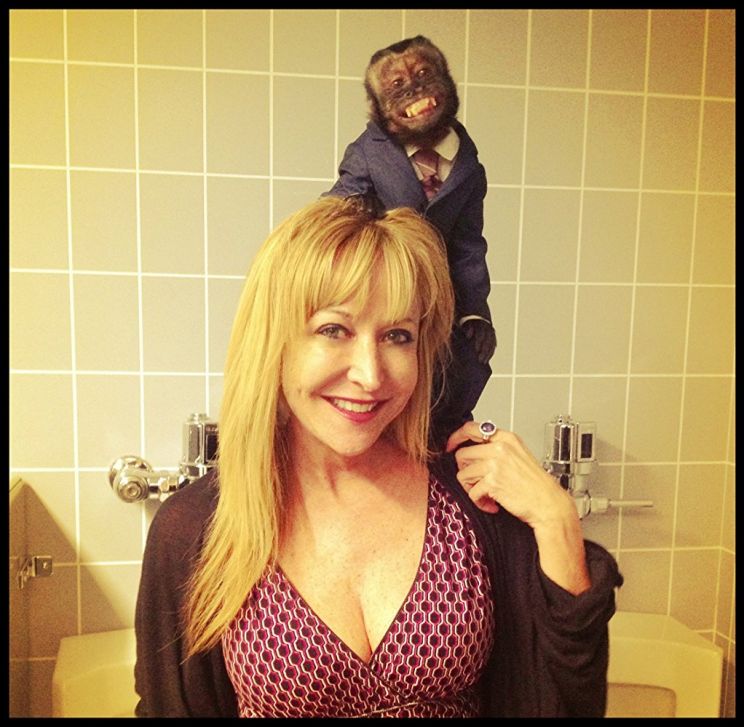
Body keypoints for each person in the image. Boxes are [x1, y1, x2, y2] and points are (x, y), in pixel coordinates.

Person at [133, 195, 622, 718]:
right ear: (273, 343)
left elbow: (567, 693)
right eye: (333, 330)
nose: (370, 375)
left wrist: (556, 519)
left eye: (396, 336)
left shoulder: (473, 503)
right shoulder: (197, 531)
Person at [324, 36, 496, 448]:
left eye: (423, 75)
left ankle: (443, 439)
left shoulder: (468, 166)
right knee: (385, 373)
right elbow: (336, 207)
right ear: (378, 107)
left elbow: (469, 245)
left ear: (447, 81)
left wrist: (475, 312)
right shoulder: (368, 154)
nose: (415, 89)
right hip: (381, 291)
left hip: (441, 298)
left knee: (465, 365)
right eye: (398, 86)